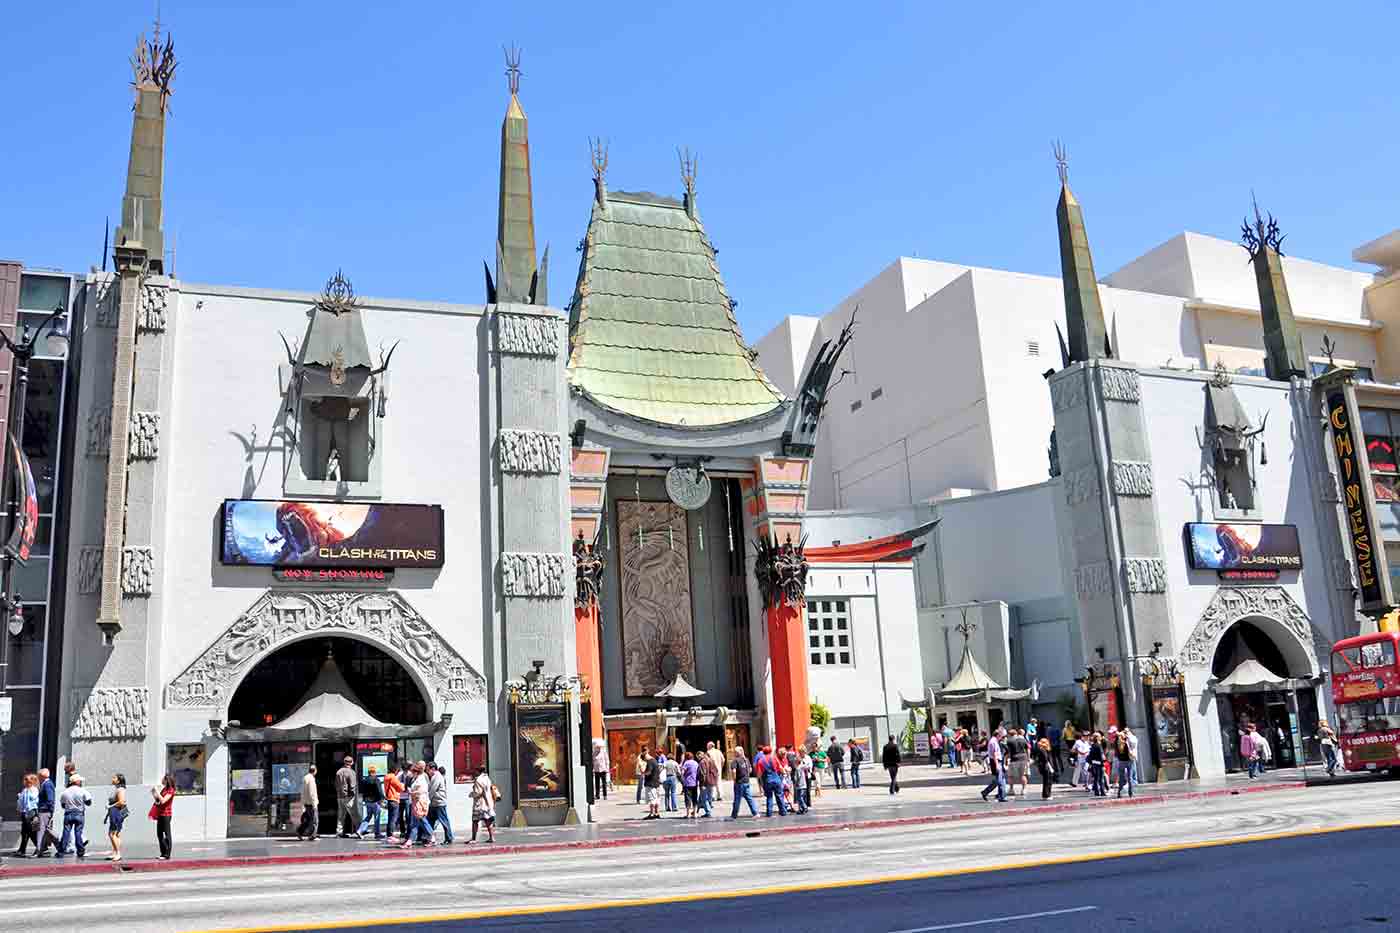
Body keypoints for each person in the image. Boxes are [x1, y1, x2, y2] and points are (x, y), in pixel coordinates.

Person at [54, 774, 92, 858]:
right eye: (80, 781)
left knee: (66, 833)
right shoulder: (82, 791)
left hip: (68, 814)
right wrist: (81, 803)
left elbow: (63, 805)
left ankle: (61, 851)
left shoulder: (65, 792)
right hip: (79, 813)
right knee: (78, 833)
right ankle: (80, 851)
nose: (81, 782)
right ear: (76, 781)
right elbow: (89, 802)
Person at [402, 761, 433, 847]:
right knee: (416, 823)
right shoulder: (417, 778)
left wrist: (411, 792)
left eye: (412, 772)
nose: (410, 773)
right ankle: (410, 840)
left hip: (419, 803)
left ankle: (430, 836)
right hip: (415, 803)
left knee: (420, 821)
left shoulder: (421, 778)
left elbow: (421, 791)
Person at [425, 761, 453, 843]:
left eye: (428, 770)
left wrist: (427, 799)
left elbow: (433, 790)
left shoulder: (437, 777)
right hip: (434, 803)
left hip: (439, 803)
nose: (427, 772)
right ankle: (428, 837)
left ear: (433, 769)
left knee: (444, 821)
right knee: (430, 821)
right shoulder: (435, 776)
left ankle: (449, 837)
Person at [469, 766, 497, 843]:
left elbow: (478, 792)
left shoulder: (478, 780)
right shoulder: (487, 778)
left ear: (478, 771)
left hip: (480, 803)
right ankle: (492, 837)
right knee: (488, 820)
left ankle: (474, 838)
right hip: (488, 803)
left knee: (475, 821)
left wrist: (472, 794)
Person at [105, 773, 129, 862]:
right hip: (114, 812)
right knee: (116, 833)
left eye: (114, 777)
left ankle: (117, 853)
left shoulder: (120, 790)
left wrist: (110, 806)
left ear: (118, 780)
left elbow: (122, 802)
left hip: (116, 812)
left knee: (112, 834)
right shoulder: (117, 789)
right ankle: (115, 852)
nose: (112, 778)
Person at [758, 745, 787, 817]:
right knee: (779, 796)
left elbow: (759, 774)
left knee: (769, 797)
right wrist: (784, 773)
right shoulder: (774, 758)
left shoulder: (761, 761)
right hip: (776, 779)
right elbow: (780, 768)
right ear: (770, 751)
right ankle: (783, 811)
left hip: (767, 780)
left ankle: (769, 813)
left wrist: (760, 781)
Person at [15, 772, 40, 858]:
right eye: (25, 780)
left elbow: (34, 801)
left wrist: (35, 815)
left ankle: (40, 848)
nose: (26, 781)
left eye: (28, 780)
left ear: (32, 781)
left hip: (31, 813)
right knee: (24, 833)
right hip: (25, 813)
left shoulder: (34, 790)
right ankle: (22, 850)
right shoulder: (25, 790)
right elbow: (21, 803)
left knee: (31, 832)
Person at [151, 773, 175, 859]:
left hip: (166, 815)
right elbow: (158, 801)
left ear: (167, 780)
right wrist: (154, 794)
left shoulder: (171, 790)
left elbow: (164, 801)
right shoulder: (164, 789)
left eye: (163, 779)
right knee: (159, 834)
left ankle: (167, 854)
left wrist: (157, 792)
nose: (161, 780)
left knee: (167, 833)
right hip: (160, 814)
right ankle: (163, 853)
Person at [357, 766, 385, 839]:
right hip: (375, 801)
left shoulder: (365, 780)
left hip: (367, 801)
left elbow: (362, 791)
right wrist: (382, 798)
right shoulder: (376, 780)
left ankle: (360, 830)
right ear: (374, 772)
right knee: (377, 817)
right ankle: (377, 833)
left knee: (368, 816)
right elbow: (379, 791)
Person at [33, 768, 56, 857]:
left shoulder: (47, 784)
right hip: (44, 811)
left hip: (45, 811)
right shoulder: (45, 784)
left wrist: (47, 810)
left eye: (38, 775)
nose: (38, 777)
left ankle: (38, 850)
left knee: (41, 831)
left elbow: (50, 799)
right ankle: (60, 845)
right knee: (46, 831)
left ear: (42, 776)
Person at [729, 746, 757, 818]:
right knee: (749, 798)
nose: (734, 753)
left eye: (735, 752)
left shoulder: (735, 760)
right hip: (746, 781)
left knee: (737, 799)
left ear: (738, 752)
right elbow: (750, 769)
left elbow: (734, 771)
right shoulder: (746, 760)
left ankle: (734, 815)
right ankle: (755, 813)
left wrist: (734, 780)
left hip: (739, 782)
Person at [335, 756, 359, 839]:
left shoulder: (338, 772)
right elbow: (352, 785)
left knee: (341, 815)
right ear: (351, 762)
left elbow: (336, 785)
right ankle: (359, 830)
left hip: (340, 797)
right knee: (354, 814)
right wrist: (353, 794)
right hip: (348, 796)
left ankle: (339, 832)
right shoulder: (351, 772)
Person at [980, 730, 1007, 803]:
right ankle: (986, 792)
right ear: (998, 735)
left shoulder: (994, 741)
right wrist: (997, 765)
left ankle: (1001, 795)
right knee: (999, 780)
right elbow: (994, 754)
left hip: (998, 761)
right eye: (1002, 736)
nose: (1002, 737)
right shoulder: (993, 742)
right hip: (996, 761)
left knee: (1001, 779)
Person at [383, 762, 405, 841]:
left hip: (389, 799)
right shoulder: (393, 777)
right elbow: (401, 788)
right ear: (395, 770)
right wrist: (402, 784)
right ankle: (390, 835)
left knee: (390, 818)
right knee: (393, 818)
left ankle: (389, 834)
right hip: (394, 799)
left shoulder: (386, 777)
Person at [1005, 729, 1029, 798]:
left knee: (1010, 776)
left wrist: (1006, 760)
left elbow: (1008, 752)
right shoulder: (1023, 740)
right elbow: (1028, 749)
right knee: (1023, 775)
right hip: (1023, 759)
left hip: (1014, 759)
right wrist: (1028, 758)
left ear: (1009, 734)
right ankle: (1023, 789)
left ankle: (1011, 790)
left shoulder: (1009, 741)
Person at [297, 765, 319, 841]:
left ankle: (300, 831)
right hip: (311, 803)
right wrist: (314, 804)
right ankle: (313, 835)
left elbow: (302, 792)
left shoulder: (305, 777)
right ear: (315, 770)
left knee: (308, 820)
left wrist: (303, 803)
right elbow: (312, 792)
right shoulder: (311, 779)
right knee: (315, 821)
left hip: (306, 803)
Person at [698, 745, 720, 817]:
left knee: (704, 798)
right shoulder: (711, 761)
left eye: (698, 757)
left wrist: (702, 784)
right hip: (712, 781)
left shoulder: (702, 762)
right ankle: (709, 807)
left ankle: (708, 812)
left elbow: (703, 773)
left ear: (701, 755)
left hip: (705, 782)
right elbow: (716, 771)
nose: (698, 758)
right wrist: (715, 779)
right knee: (709, 796)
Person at [642, 749, 662, 820]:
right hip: (657, 783)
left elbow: (649, 772)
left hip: (651, 783)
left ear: (645, 757)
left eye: (644, 759)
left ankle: (652, 813)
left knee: (652, 799)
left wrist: (643, 772)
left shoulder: (650, 762)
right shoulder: (655, 761)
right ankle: (657, 813)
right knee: (657, 798)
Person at [1115, 728, 1135, 798]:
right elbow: (1133, 742)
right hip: (1129, 760)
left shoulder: (1117, 743)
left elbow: (1116, 753)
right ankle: (1131, 793)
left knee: (1121, 778)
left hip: (1121, 761)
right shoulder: (1126, 742)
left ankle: (1119, 793)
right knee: (1130, 778)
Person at [680, 752, 700, 818]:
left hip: (687, 783)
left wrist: (682, 779)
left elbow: (682, 772)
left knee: (688, 798)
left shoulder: (686, 763)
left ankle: (688, 813)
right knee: (695, 797)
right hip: (695, 782)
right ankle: (695, 813)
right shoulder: (696, 763)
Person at [1087, 732, 1107, 796]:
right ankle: (1102, 792)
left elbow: (1090, 756)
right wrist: (1103, 764)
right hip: (1099, 764)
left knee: (1096, 778)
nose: (1101, 738)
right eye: (1100, 737)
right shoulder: (1099, 746)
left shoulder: (1093, 746)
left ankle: (1096, 792)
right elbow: (1101, 756)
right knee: (1101, 779)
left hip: (1094, 764)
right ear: (1098, 738)